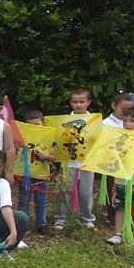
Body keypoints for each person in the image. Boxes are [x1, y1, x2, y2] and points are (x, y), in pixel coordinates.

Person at [53, 88, 97, 229]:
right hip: (68, 162)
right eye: (75, 102)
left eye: (81, 102)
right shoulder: (64, 121)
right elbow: (57, 140)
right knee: (65, 190)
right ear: (70, 103)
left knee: (86, 192)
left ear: (88, 102)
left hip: (87, 163)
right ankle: (61, 218)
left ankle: (87, 218)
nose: (78, 105)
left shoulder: (94, 121)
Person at [106, 107, 134, 245]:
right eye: (125, 120)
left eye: (133, 120)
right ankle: (118, 234)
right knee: (120, 207)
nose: (128, 124)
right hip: (121, 180)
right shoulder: (119, 138)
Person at [17, 108, 56, 235]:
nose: (35, 129)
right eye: (30, 126)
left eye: (37, 125)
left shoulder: (50, 136)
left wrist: (46, 156)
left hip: (42, 174)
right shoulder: (22, 136)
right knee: (24, 199)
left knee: (41, 200)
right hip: (25, 174)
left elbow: (55, 157)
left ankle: (41, 224)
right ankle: (22, 224)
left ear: (43, 123)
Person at [102, 92, 133, 224]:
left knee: (129, 189)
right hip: (111, 163)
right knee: (112, 189)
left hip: (128, 162)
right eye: (123, 109)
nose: (126, 113)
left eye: (129, 110)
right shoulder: (106, 123)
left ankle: (131, 215)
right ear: (114, 105)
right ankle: (113, 217)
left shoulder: (132, 122)